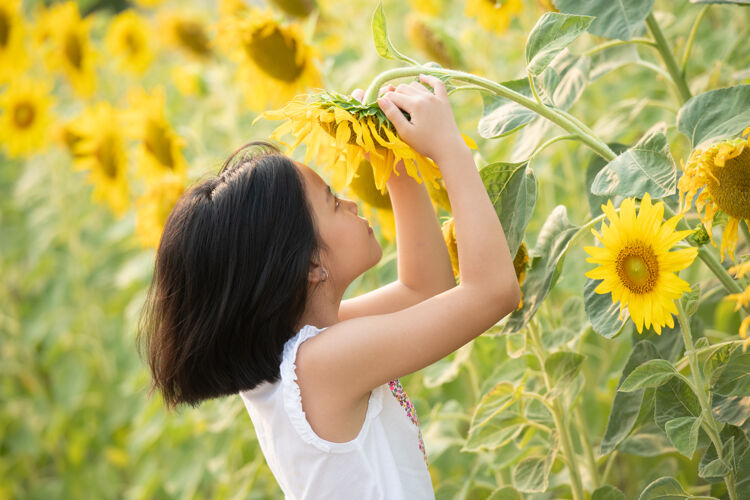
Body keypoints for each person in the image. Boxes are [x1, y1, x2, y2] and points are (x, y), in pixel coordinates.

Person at [136, 74, 521, 499]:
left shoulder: (301, 353)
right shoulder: (321, 366)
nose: (353, 202)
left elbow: (425, 291)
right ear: (309, 266)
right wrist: (450, 148)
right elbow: (492, 292)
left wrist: (393, 163)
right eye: (334, 202)